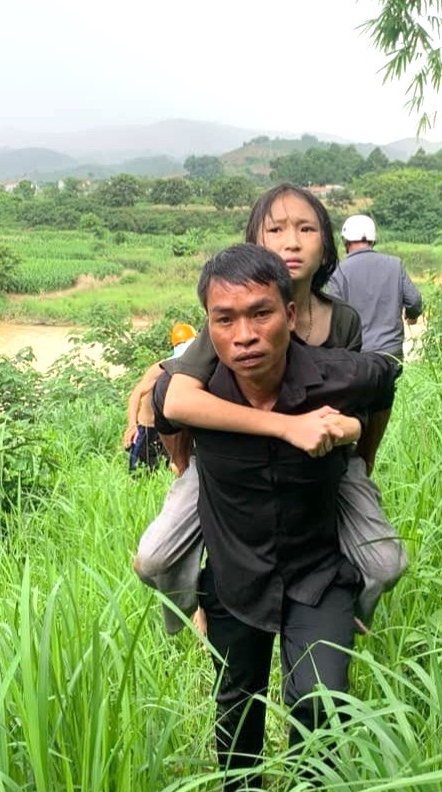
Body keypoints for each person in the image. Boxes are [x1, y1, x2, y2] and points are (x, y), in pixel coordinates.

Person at [151, 243, 400, 792]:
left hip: (319, 572)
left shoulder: (337, 374)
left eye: (261, 313)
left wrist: (356, 439)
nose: (244, 335)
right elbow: (164, 413)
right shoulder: (200, 391)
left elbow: (385, 380)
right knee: (237, 709)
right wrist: (190, 477)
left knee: (320, 703)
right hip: (236, 577)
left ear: (291, 314)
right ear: (209, 327)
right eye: (225, 319)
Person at [134, 185, 407, 634]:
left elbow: (359, 397)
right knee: (155, 558)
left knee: (387, 563)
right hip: (232, 464)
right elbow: (176, 399)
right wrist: (192, 467)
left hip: (318, 464)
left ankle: (343, 608)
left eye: (306, 228)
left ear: (327, 245)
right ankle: (194, 606)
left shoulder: (343, 322)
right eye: (275, 230)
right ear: (254, 244)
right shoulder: (232, 322)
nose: (292, 242)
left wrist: (355, 443)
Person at [327, 214, 423, 362]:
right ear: (372, 240)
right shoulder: (394, 265)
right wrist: (412, 315)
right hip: (392, 352)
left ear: (346, 240)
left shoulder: (339, 272)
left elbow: (334, 316)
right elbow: (414, 300)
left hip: (357, 354)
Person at [122, 322, 195, 472]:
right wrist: (132, 425)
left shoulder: (191, 368)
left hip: (171, 429)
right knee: (139, 475)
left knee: (179, 469)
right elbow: (136, 394)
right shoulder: (161, 368)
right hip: (148, 431)